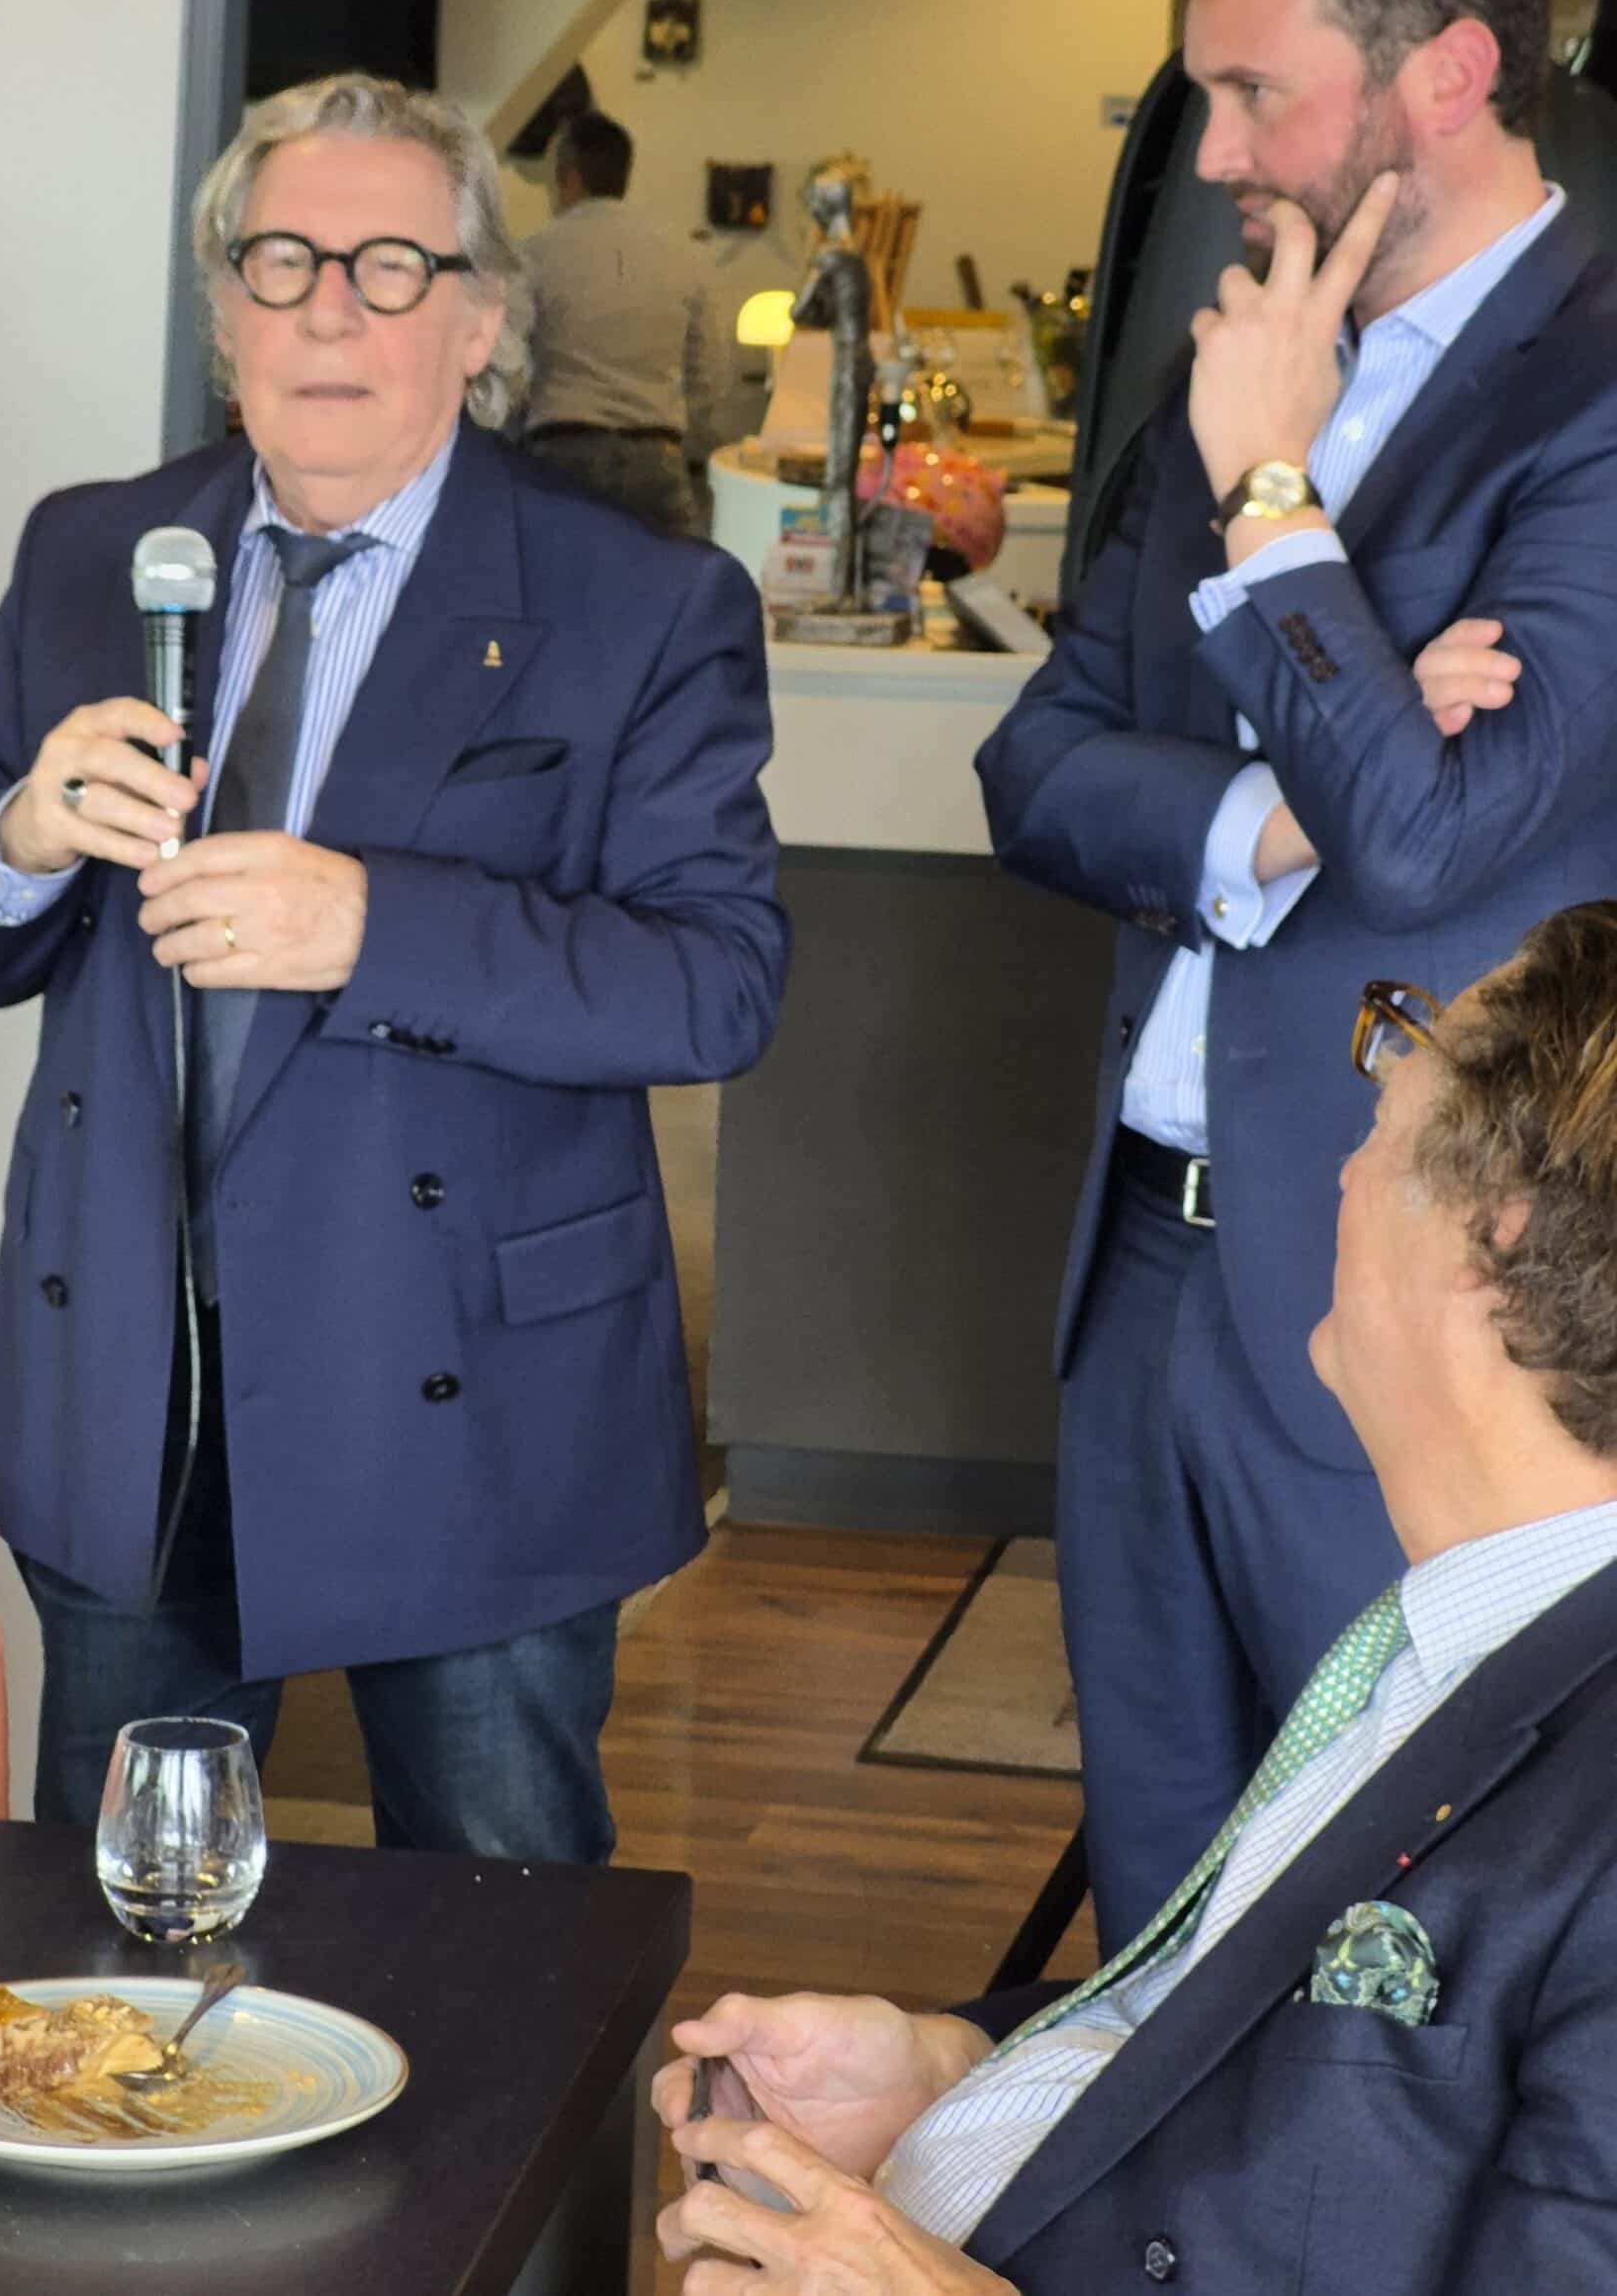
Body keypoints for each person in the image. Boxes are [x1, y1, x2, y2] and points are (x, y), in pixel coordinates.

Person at [0, 72, 786, 1852]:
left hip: (463, 1380)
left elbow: (714, 983)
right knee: (120, 1933)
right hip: (135, 1367)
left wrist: (374, 924)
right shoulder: (91, 552)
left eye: (389, 268)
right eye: (280, 261)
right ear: (221, 310)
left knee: (500, 1944)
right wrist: (23, 836)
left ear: (481, 321)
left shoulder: (637, 602)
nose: (326, 311)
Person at [975, 0, 1617, 1947]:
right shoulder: (1233, 357)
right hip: (1136, 1273)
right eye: (1205, 93)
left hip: (1427, 1291)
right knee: (1159, 1888)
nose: (1220, 149)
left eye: (1258, 91)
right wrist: (1281, 808)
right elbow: (1034, 766)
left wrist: (1273, 498)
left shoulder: (1591, 401)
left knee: (1390, 1913)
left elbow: (1432, 839)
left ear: (1447, 74)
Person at [657, 903, 1617, 2291]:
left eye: (1376, 1117)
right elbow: (1255, 2034)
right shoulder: (1454, 1630)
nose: (1339, 1171)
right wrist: (954, 2069)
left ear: (1489, 1234)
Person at [520, 107, 709, 536]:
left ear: (568, 177)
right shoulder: (683, 253)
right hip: (656, 455)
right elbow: (710, 369)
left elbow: (508, 362)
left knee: (557, 574)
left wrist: (515, 438)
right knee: (672, 574)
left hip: (561, 452)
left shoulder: (535, 253)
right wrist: (682, 438)